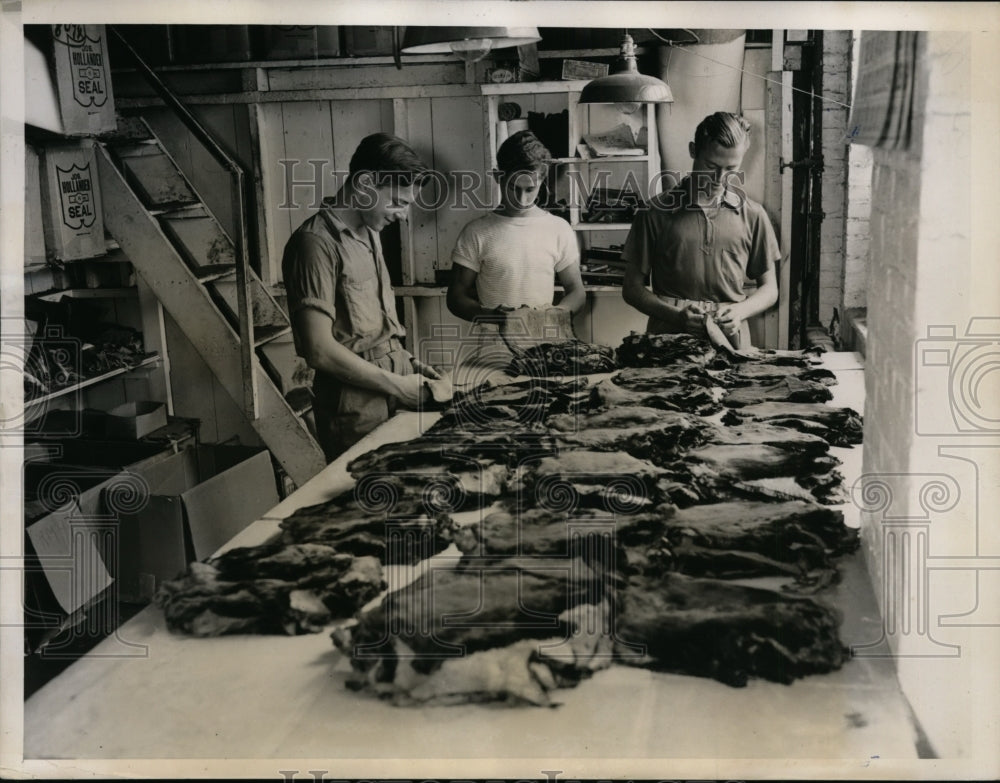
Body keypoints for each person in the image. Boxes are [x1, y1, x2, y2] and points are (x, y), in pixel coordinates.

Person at [282, 132, 440, 462]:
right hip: (355, 405)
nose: (402, 215)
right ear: (366, 183)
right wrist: (398, 385)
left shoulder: (369, 229)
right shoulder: (314, 244)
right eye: (397, 201)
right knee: (367, 499)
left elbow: (370, 326)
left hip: (394, 383)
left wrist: (408, 364)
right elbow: (319, 350)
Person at [621, 112, 779, 348]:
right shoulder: (653, 212)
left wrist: (741, 311)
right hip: (667, 340)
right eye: (712, 166)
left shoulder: (754, 215)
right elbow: (632, 289)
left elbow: (770, 289)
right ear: (693, 150)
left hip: (731, 339)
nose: (720, 178)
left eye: (731, 169)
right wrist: (676, 316)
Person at [446, 130, 586, 363]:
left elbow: (576, 291)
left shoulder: (558, 228)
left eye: (530, 189)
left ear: (542, 180)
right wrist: (492, 316)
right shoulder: (476, 232)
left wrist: (557, 314)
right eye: (514, 188)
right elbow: (456, 298)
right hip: (495, 350)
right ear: (498, 176)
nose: (522, 199)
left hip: (545, 345)